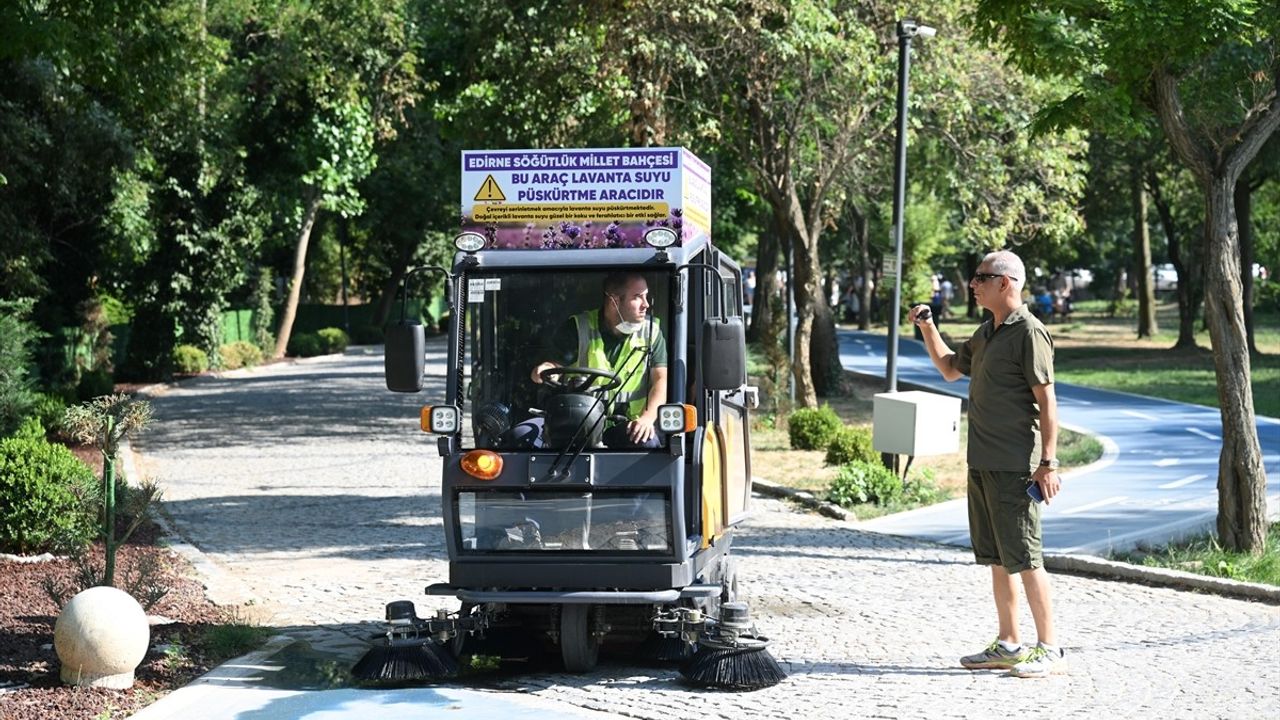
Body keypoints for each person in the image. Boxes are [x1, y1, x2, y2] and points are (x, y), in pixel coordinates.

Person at [907, 249, 1066, 679]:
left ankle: (1050, 648)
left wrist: (1048, 463)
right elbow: (948, 369)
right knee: (997, 558)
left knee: (1028, 558)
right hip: (982, 462)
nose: (972, 284)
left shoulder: (1029, 333)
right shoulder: (987, 331)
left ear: (1005, 283)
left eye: (980, 277)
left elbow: (1047, 401)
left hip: (1017, 465)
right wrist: (927, 326)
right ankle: (1009, 643)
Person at [531, 272, 668, 448]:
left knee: (647, 443)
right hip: (578, 424)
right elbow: (554, 365)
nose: (646, 305)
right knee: (523, 437)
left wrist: (647, 419)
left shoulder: (651, 332)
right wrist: (544, 370)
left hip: (628, 426)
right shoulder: (577, 328)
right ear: (614, 302)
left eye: (646, 296)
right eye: (637, 297)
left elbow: (661, 380)